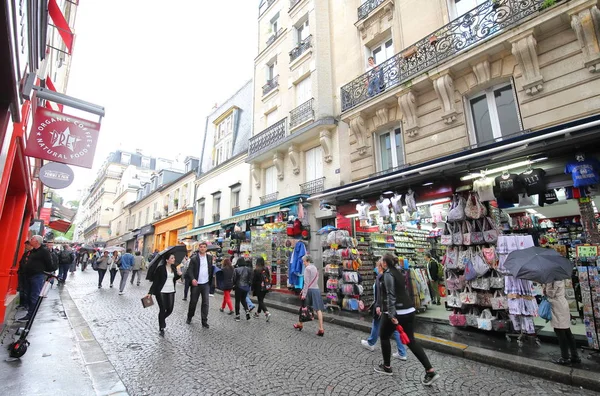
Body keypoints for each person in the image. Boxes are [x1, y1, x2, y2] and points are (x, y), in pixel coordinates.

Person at [375, 253, 439, 385]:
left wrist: (392, 315)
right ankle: (430, 370)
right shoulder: (399, 272)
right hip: (409, 309)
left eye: (382, 260)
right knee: (411, 341)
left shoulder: (388, 274)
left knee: (384, 336)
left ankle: (387, 367)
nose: (380, 262)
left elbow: (391, 294)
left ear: (385, 263)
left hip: (397, 311)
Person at [361, 259, 407, 361]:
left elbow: (380, 294)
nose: (376, 268)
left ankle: (372, 344)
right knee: (389, 327)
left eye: (378, 266)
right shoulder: (390, 276)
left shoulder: (380, 277)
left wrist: (378, 306)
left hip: (383, 307)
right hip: (388, 307)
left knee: (385, 327)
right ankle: (401, 352)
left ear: (381, 267)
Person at [17, 235, 54, 322]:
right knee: (29, 294)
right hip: (29, 276)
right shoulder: (33, 251)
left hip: (37, 276)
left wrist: (40, 270)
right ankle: (29, 313)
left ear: (36, 241)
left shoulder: (44, 251)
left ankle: (31, 315)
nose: (30, 240)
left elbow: (50, 265)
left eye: (32, 239)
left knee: (34, 296)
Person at [543, 280, 581, 365]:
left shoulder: (553, 280)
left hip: (557, 307)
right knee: (567, 332)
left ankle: (565, 357)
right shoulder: (560, 278)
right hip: (562, 305)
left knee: (560, 333)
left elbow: (550, 294)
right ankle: (575, 356)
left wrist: (545, 287)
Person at [146, 254, 183, 336]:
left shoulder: (173, 267)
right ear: (167, 260)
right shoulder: (160, 269)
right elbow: (155, 281)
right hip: (161, 291)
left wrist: (179, 275)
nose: (174, 259)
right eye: (172, 258)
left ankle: (162, 319)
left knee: (170, 309)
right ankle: (161, 326)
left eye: (174, 257)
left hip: (171, 290)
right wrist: (150, 292)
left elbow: (174, 278)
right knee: (162, 309)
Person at [293, 255, 325, 336]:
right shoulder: (315, 268)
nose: (303, 263)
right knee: (318, 310)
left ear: (307, 261)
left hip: (309, 290)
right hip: (316, 290)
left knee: (303, 307)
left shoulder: (307, 269)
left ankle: (300, 324)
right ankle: (321, 329)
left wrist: (304, 293)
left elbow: (306, 283)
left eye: (304, 261)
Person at [186, 242, 214, 327]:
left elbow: (210, 269)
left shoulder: (209, 258)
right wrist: (193, 279)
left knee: (205, 303)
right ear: (199, 248)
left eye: (204, 247)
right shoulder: (194, 258)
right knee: (193, 302)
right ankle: (189, 317)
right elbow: (189, 270)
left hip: (205, 284)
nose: (202, 248)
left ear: (206, 248)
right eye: (201, 247)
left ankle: (204, 321)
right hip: (196, 284)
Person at [252, 257, 271, 321]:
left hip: (258, 287)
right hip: (265, 287)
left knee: (260, 301)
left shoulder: (256, 270)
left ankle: (266, 312)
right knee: (261, 300)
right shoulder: (266, 269)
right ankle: (257, 313)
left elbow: (254, 280)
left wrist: (252, 288)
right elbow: (268, 277)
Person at [17, 241, 33, 310]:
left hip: (28, 274)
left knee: (27, 289)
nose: (25, 247)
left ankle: (26, 303)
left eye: (26, 245)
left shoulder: (33, 254)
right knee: (21, 289)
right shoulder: (25, 253)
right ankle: (21, 303)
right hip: (22, 273)